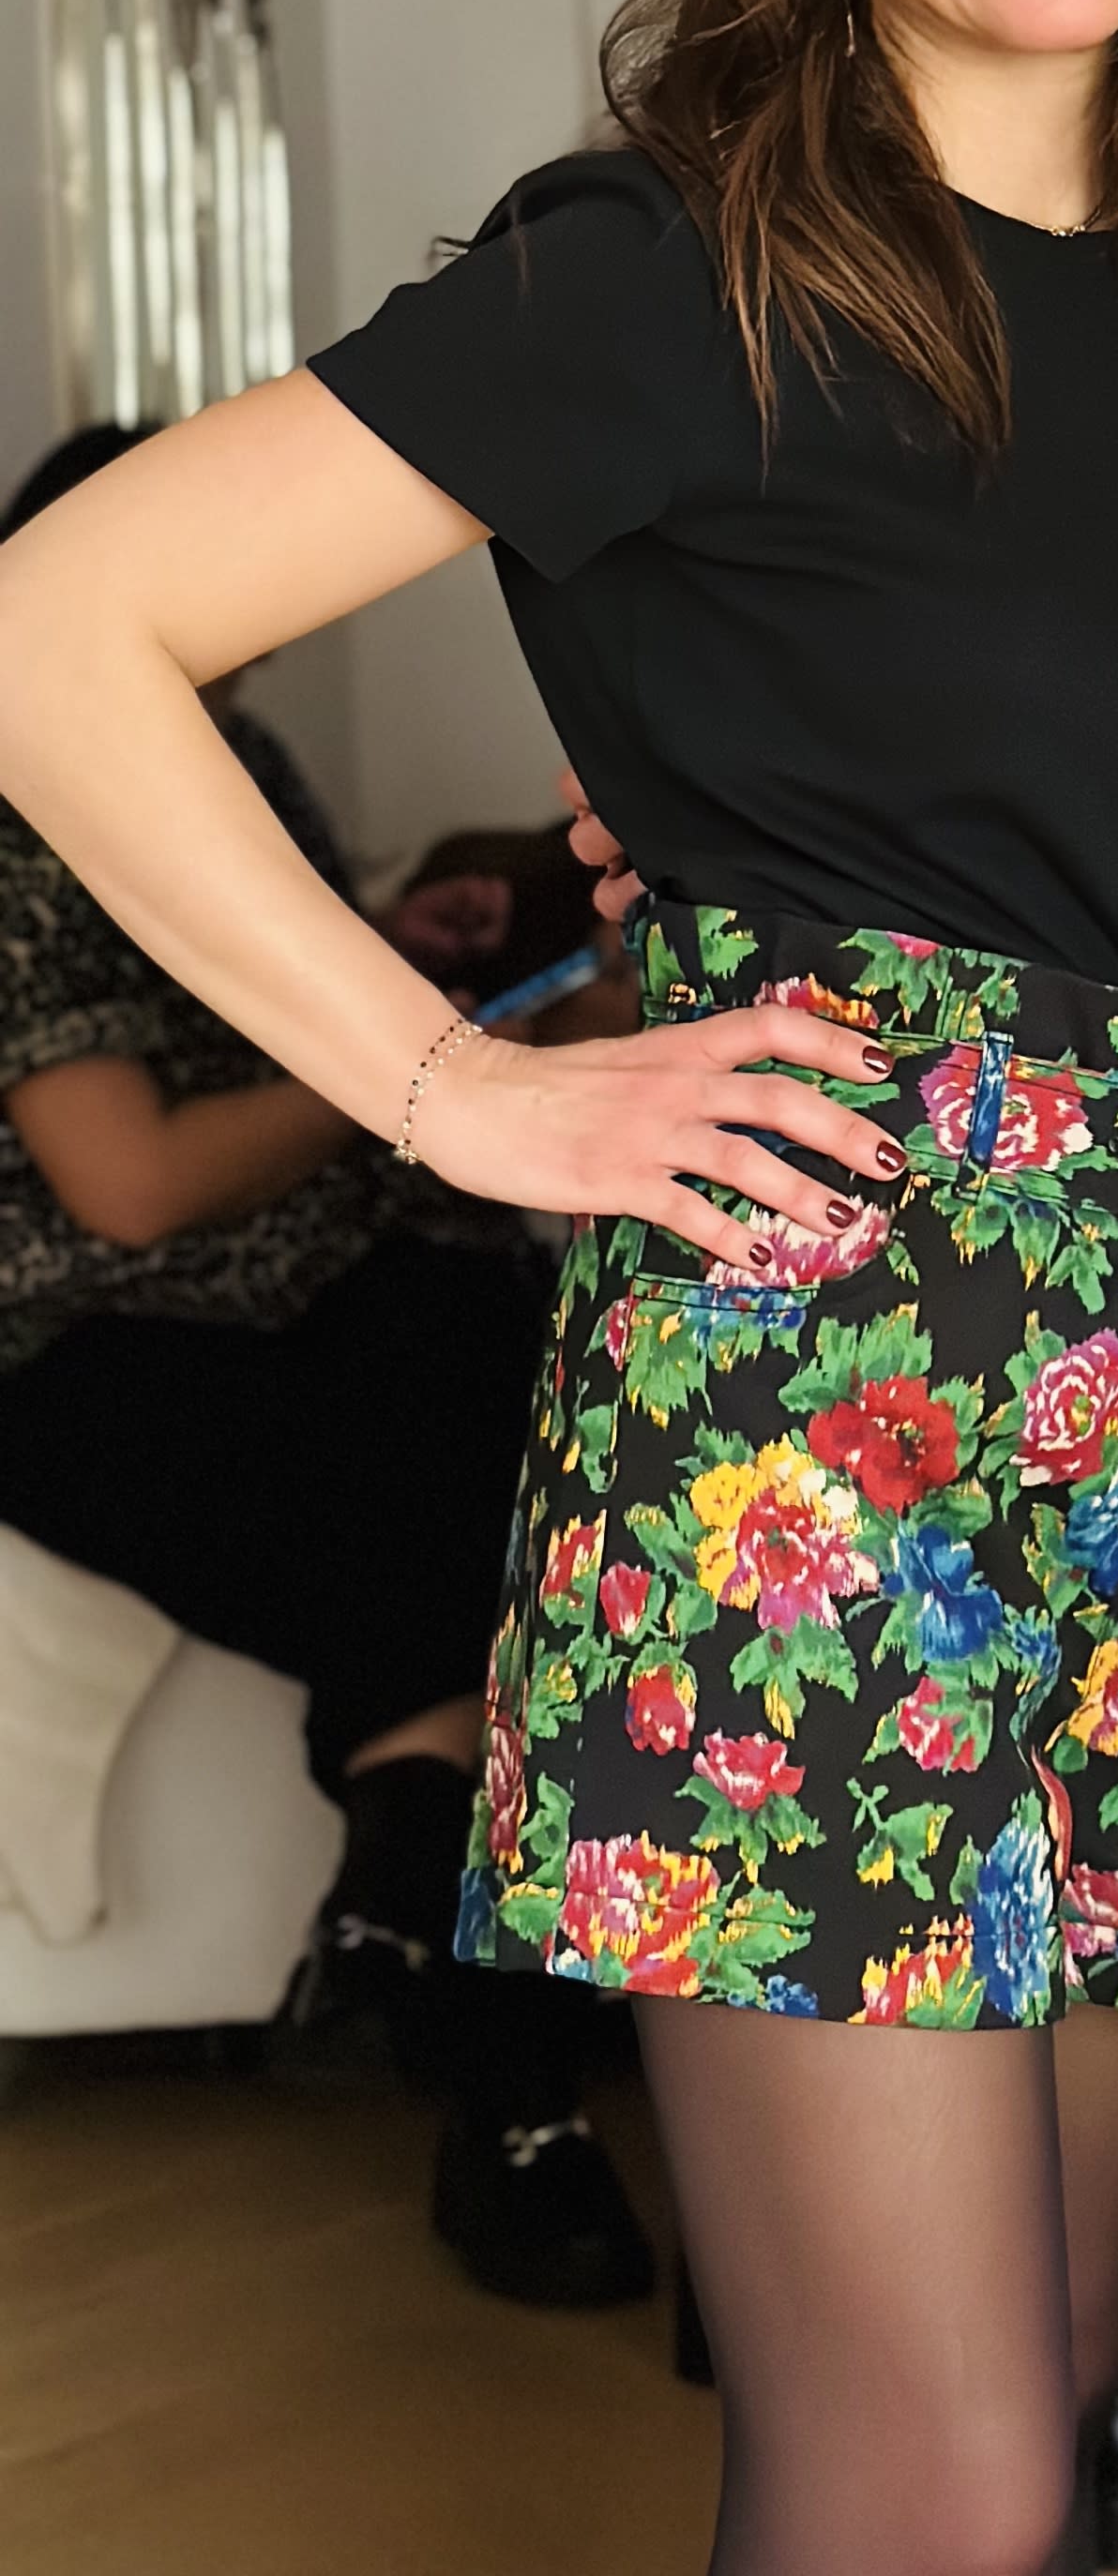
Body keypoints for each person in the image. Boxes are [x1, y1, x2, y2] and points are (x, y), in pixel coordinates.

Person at [0, 0, 1118, 2576]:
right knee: (930, 2476)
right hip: (814, 1422)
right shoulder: (669, 264)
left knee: (1065, 2409)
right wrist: (455, 1085)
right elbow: (57, 629)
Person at [0, 424, 651, 2305]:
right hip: (99, 1337)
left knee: (546, 1467)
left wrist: (379, 947)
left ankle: (402, 1925)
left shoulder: (235, 753)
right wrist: (418, 1060)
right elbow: (127, 1187)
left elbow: (248, 979)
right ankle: (493, 2077)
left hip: (345, 1272)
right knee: (481, 1576)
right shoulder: (26, 804)